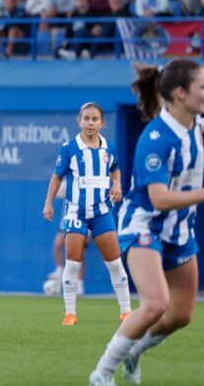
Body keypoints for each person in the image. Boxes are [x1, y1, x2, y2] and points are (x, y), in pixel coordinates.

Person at [88, 59, 204, 386]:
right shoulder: (156, 138)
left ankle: (133, 354)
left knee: (180, 316)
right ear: (180, 92)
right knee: (155, 305)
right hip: (144, 225)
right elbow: (160, 199)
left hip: (179, 231)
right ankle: (102, 373)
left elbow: (194, 132)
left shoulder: (190, 123)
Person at [43, 102, 132, 326]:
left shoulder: (108, 148)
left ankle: (126, 312)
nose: (90, 123)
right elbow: (56, 177)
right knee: (72, 263)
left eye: (94, 119)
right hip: (75, 213)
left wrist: (118, 184)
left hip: (102, 212)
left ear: (102, 122)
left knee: (114, 263)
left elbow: (116, 168)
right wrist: (49, 203)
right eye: (86, 119)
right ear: (79, 121)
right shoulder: (69, 148)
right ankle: (70, 314)